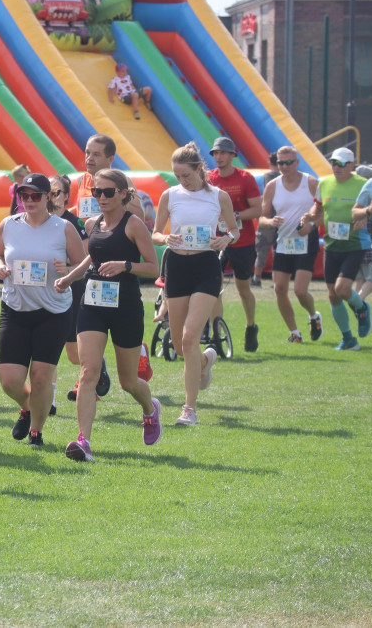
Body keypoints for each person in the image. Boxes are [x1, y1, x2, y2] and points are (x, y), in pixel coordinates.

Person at [55, 169, 160, 461]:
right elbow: (92, 257)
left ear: (123, 194)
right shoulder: (93, 224)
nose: (101, 197)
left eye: (108, 192)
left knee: (128, 382)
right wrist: (70, 278)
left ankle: (150, 411)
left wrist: (125, 265)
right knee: (88, 371)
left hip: (125, 308)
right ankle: (83, 441)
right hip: (93, 305)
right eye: (97, 192)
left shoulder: (134, 225)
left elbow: (154, 268)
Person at [0, 173, 86, 446]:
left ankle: (36, 431)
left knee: (41, 377)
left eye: (36, 196)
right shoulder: (8, 225)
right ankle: (28, 406)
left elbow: (83, 264)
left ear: (48, 197)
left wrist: (67, 273)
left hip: (53, 311)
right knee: (9, 379)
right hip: (15, 308)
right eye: (25, 196)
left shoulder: (63, 227)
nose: (30, 201)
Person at [152, 143, 239, 426]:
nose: (182, 181)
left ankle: (188, 409)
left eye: (186, 175)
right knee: (178, 345)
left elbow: (234, 229)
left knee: (190, 338)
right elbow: (154, 232)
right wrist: (165, 239)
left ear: (200, 170)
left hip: (205, 266)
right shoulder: (169, 195)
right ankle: (204, 361)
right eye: (177, 176)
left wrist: (226, 238)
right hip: (176, 266)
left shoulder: (219, 196)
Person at [308, 147, 371, 350]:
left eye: (342, 163)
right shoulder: (324, 183)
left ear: (352, 165)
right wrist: (309, 217)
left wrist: (367, 217)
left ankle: (362, 309)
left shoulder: (364, 185)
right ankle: (348, 339)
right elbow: (317, 208)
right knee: (332, 294)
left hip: (355, 244)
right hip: (331, 244)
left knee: (342, 288)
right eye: (334, 162)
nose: (337, 167)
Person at [259, 146, 323, 343]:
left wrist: (311, 225)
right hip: (283, 242)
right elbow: (262, 218)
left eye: (288, 162)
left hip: (305, 241)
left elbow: (322, 214)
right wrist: (271, 222)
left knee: (300, 291)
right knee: (279, 289)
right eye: (280, 163)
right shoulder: (272, 186)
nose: (284, 167)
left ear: (297, 162)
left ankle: (314, 316)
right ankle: (294, 333)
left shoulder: (311, 183)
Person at [207, 137, 263, 352]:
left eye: (223, 153)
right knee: (214, 289)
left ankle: (251, 326)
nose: (219, 157)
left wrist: (233, 215)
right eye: (215, 153)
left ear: (232, 155)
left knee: (243, 289)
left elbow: (257, 210)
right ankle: (216, 334)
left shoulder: (245, 178)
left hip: (243, 241)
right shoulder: (209, 179)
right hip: (215, 242)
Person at [46, 174, 90, 418]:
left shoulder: (73, 224)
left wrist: (69, 270)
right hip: (44, 292)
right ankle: (49, 400)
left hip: (73, 289)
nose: (52, 198)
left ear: (66, 196)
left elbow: (85, 259)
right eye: (49, 193)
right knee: (48, 349)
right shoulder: (39, 222)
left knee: (74, 356)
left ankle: (97, 365)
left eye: (57, 193)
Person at [251, 152, 282, 287]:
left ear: (270, 163)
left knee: (262, 249)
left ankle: (256, 277)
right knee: (278, 250)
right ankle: (276, 281)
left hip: (268, 217)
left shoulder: (269, 177)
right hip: (281, 217)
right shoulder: (285, 177)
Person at [353, 167, 372, 302]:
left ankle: (355, 303)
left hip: (364, 243)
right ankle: (357, 303)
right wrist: (367, 212)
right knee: (371, 280)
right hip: (367, 244)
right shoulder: (369, 188)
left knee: (362, 278)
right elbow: (355, 213)